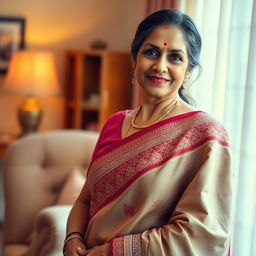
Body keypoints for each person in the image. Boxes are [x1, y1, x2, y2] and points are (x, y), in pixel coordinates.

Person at [63, 9, 233, 256]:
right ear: (134, 59)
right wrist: (72, 238)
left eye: (175, 57)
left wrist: (109, 252)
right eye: (151, 52)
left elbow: (202, 234)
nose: (160, 65)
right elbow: (85, 200)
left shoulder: (205, 135)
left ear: (188, 71)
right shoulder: (114, 124)